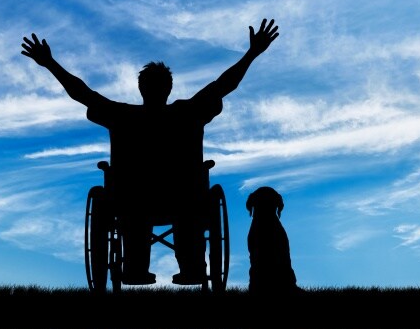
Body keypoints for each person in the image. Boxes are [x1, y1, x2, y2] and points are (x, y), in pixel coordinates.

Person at [22, 19, 279, 285]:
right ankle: (191, 267)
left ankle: (134, 268)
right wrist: (251, 54)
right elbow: (223, 85)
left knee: (137, 205)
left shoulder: (123, 116)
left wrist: (50, 64)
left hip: (133, 197)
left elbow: (83, 94)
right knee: (181, 206)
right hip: (182, 196)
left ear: (141, 89)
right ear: (168, 88)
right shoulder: (186, 114)